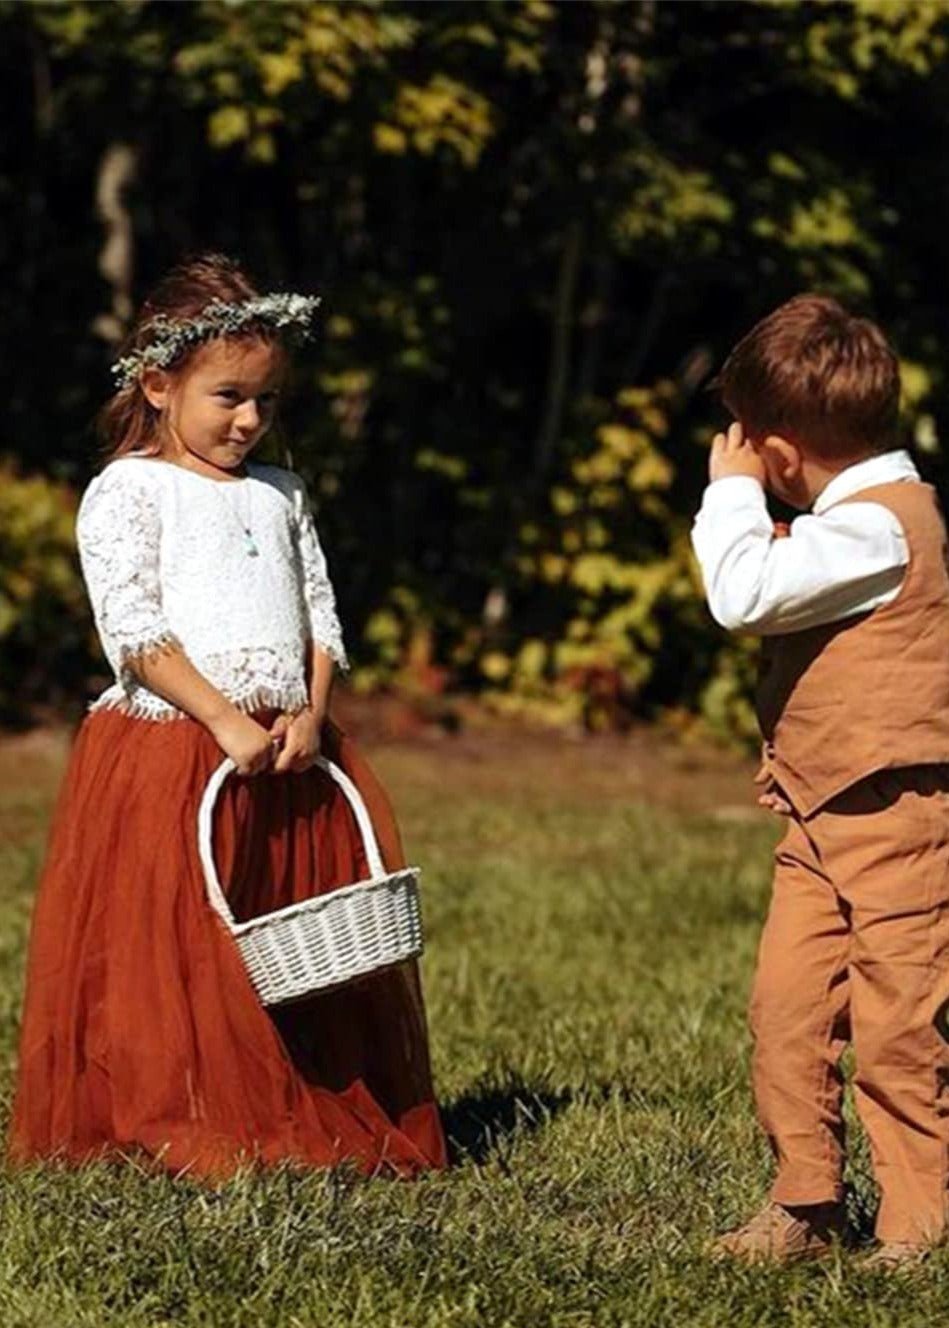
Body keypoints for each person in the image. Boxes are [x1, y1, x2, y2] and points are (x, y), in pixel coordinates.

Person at [8, 253, 447, 1180]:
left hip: (285, 748)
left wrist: (311, 713)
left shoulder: (282, 495)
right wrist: (221, 719)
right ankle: (182, 1106)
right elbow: (134, 631)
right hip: (180, 747)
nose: (249, 420)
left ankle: (291, 1092)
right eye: (228, 397)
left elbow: (319, 617)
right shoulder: (130, 490)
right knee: (175, 944)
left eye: (267, 402)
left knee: (281, 940)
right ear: (160, 385)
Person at [691, 294, 949, 1268]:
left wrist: (729, 490)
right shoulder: (861, 521)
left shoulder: (879, 531)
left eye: (749, 445)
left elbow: (741, 591)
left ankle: (916, 1225)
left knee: (896, 1023)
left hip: (899, 820)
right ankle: (805, 1199)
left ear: (780, 453)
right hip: (820, 815)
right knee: (788, 1009)